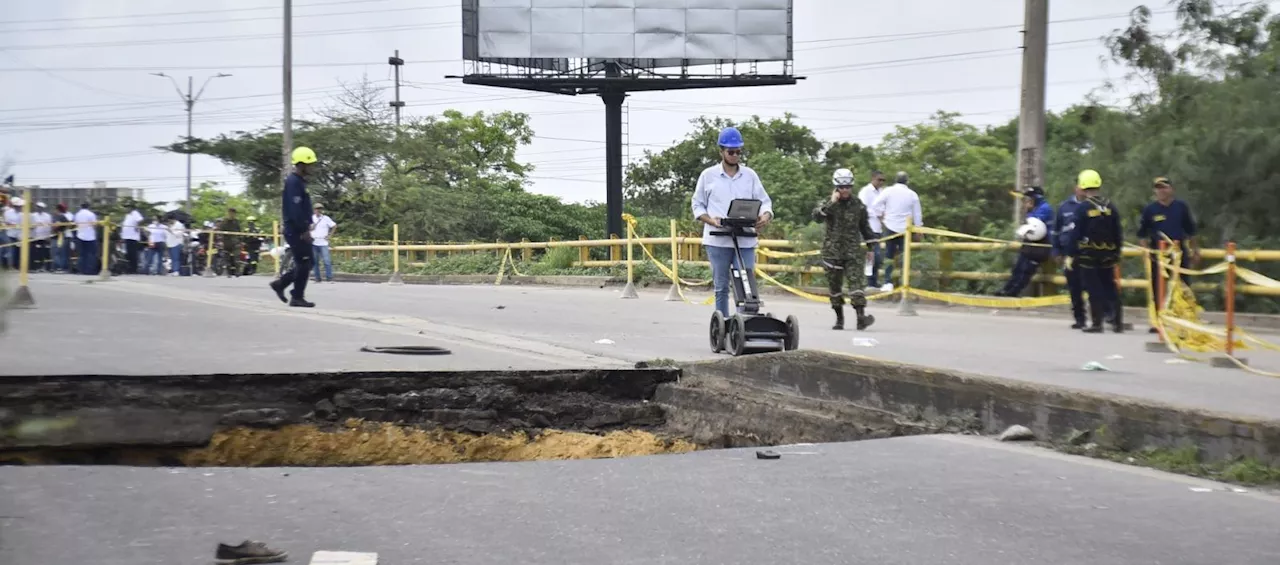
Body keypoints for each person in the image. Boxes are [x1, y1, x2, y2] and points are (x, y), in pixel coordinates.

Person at [690, 126, 773, 318]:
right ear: (721, 151)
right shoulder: (708, 175)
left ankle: (745, 322)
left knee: (746, 282)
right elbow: (697, 205)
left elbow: (765, 202)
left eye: (738, 152)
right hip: (718, 239)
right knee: (721, 286)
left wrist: (764, 216)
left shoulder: (750, 175)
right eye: (731, 152)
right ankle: (723, 323)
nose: (735, 155)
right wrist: (711, 221)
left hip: (745, 238)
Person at [814, 167, 878, 331]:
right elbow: (817, 217)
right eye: (842, 187)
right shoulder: (828, 203)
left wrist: (872, 242)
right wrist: (832, 202)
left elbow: (864, 226)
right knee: (835, 288)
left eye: (848, 187)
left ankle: (860, 318)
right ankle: (839, 319)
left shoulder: (858, 204)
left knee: (856, 285)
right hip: (832, 252)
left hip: (853, 252)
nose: (845, 190)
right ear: (836, 188)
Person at [1137, 176, 1200, 332]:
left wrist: (1195, 251)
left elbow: (1191, 231)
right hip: (1158, 255)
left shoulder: (1181, 207)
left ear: (1171, 189)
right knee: (1158, 288)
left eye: (1164, 187)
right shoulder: (1150, 210)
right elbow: (1142, 234)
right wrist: (1146, 252)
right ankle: (1160, 321)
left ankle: (1184, 321)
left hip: (1179, 253)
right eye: (1158, 188)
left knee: (1183, 286)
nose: (1161, 191)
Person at [1069, 169, 1124, 334]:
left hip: (1088, 255)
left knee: (1093, 288)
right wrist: (1117, 252)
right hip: (1108, 254)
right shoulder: (1110, 206)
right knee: (1110, 287)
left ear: (1083, 186)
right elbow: (1118, 232)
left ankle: (1097, 323)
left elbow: (1075, 233)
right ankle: (1117, 322)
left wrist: (1071, 253)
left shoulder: (1083, 208)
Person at [270, 147, 318, 307]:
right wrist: (303, 230)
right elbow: (295, 210)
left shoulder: (299, 182)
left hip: (298, 229)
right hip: (296, 230)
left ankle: (290, 291)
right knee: (306, 262)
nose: (312, 167)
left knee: (305, 262)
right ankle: (290, 291)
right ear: (301, 164)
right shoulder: (293, 183)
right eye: (309, 164)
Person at [995, 186, 1054, 297]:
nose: (1027, 201)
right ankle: (1006, 289)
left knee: (1026, 271)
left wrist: (1029, 211)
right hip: (1029, 243)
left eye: (1030, 198)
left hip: (1040, 246)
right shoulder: (1034, 208)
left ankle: (1013, 292)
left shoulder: (1045, 208)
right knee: (1017, 268)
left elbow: (1034, 225)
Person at [869, 171, 923, 291]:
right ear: (907, 181)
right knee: (905, 255)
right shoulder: (912, 194)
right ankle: (904, 281)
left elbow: (875, 205)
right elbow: (917, 213)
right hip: (906, 229)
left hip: (890, 226)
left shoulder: (888, 191)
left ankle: (888, 282)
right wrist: (918, 228)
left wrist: (882, 216)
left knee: (889, 255)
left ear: (895, 180)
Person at [1053, 184, 1088, 329]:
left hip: (1088, 252)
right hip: (1069, 254)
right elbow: (1056, 231)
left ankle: (1105, 315)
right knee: (1074, 288)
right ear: (1075, 188)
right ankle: (1079, 318)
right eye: (1081, 188)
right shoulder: (1065, 207)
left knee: (1093, 285)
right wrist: (1056, 251)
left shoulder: (1092, 206)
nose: (1083, 191)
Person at [856, 170, 887, 288]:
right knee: (873, 256)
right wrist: (877, 214)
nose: (881, 182)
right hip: (868, 228)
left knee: (876, 258)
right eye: (879, 180)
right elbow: (862, 209)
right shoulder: (866, 192)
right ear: (873, 178)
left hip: (878, 228)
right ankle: (869, 281)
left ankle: (873, 281)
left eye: (883, 180)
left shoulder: (882, 192)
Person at [309, 203, 337, 283]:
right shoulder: (311, 218)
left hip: (323, 243)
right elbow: (306, 228)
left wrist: (329, 236)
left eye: (320, 209)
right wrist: (311, 227)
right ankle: (317, 278)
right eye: (317, 209)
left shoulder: (326, 218)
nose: (319, 210)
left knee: (327, 261)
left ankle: (329, 278)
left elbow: (334, 226)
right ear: (314, 210)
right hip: (314, 242)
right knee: (315, 262)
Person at [73, 202, 99, 276]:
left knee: (81, 254)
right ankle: (89, 270)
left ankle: (81, 270)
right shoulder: (91, 214)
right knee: (91, 254)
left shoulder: (77, 214)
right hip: (90, 237)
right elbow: (94, 225)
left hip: (80, 236)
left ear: (81, 206)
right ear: (88, 206)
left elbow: (76, 224)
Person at [120, 205, 144, 274]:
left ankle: (134, 269)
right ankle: (129, 268)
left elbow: (140, 220)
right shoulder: (127, 215)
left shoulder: (135, 213)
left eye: (127, 207)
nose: (126, 209)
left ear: (131, 208)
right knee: (128, 254)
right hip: (127, 237)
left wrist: (137, 226)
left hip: (133, 237)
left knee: (133, 254)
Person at [219, 208, 242, 278]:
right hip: (226, 242)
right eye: (230, 213)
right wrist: (221, 241)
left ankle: (237, 271)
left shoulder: (236, 221)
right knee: (227, 258)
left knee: (236, 258)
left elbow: (239, 231)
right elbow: (221, 231)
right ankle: (228, 273)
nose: (232, 215)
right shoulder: (224, 221)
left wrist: (240, 240)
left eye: (233, 213)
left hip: (235, 242)